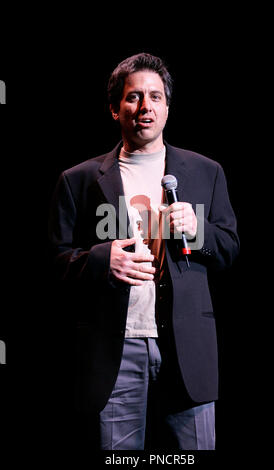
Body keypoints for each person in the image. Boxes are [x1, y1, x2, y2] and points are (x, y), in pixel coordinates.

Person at [48, 53, 240, 451]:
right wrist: (102, 261)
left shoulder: (207, 172)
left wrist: (198, 230)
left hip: (187, 346)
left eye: (155, 97)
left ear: (167, 107)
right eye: (133, 98)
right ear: (115, 109)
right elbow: (55, 261)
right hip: (115, 349)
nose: (145, 107)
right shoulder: (79, 180)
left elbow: (230, 248)